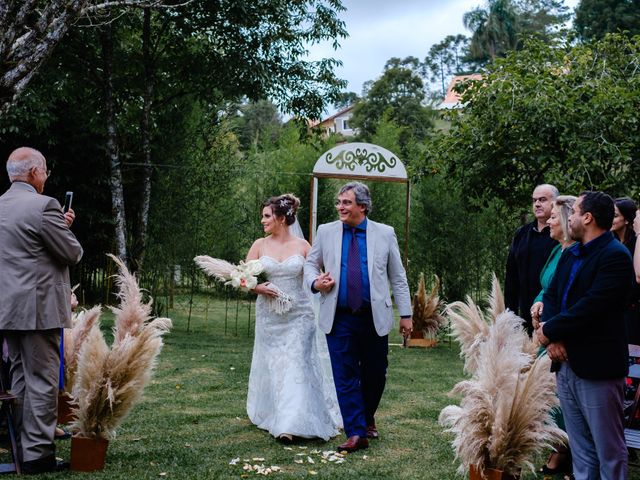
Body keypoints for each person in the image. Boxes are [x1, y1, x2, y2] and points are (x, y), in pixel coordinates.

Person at [304, 181, 413, 453]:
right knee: (345, 374)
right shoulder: (326, 231)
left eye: (346, 202)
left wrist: (406, 314)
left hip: (374, 317)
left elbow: (398, 277)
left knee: (375, 374)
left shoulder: (385, 234)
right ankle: (356, 432)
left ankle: (365, 416)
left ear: (362, 207)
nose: (340, 207)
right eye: (339, 202)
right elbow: (310, 263)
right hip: (338, 317)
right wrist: (316, 283)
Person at [536, 191, 633, 480]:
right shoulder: (571, 252)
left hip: (598, 368)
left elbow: (591, 306)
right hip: (565, 364)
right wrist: (553, 340)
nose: (570, 218)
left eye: (575, 212)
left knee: (609, 451)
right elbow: (552, 296)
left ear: (588, 218)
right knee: (580, 449)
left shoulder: (615, 256)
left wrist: (549, 330)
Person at [0, 147, 83, 474]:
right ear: (34, 172)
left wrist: (55, 227)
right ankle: (38, 455)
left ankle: (22, 446)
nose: (46, 177)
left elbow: (22, 249)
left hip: (7, 311)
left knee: (20, 377)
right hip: (37, 310)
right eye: (45, 171)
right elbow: (72, 253)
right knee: (43, 380)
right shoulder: (43, 206)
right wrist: (63, 228)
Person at [245, 193, 341, 442]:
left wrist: (321, 283)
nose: (263, 221)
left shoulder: (303, 246)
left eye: (266, 216)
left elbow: (315, 276)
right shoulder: (259, 245)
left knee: (297, 362)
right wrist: (258, 288)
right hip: (270, 316)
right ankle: (280, 414)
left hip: (300, 314)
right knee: (277, 366)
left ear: (280, 217)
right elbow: (244, 277)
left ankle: (289, 424)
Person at [529, 195, 576, 475]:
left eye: (554, 218)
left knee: (562, 397)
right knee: (549, 394)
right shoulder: (557, 250)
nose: (548, 221)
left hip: (558, 333)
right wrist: (538, 302)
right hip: (545, 327)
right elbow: (547, 286)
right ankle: (557, 444)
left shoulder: (574, 252)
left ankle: (565, 449)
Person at [505, 184, 558, 334]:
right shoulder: (522, 233)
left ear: (555, 202)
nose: (537, 204)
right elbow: (511, 275)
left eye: (542, 200)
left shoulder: (561, 235)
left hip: (550, 310)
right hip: (523, 312)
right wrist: (510, 313)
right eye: (534, 200)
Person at [612, 197, 640, 343]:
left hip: (633, 311)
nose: (611, 218)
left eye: (615, 216)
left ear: (627, 220)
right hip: (617, 310)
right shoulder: (612, 242)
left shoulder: (636, 242)